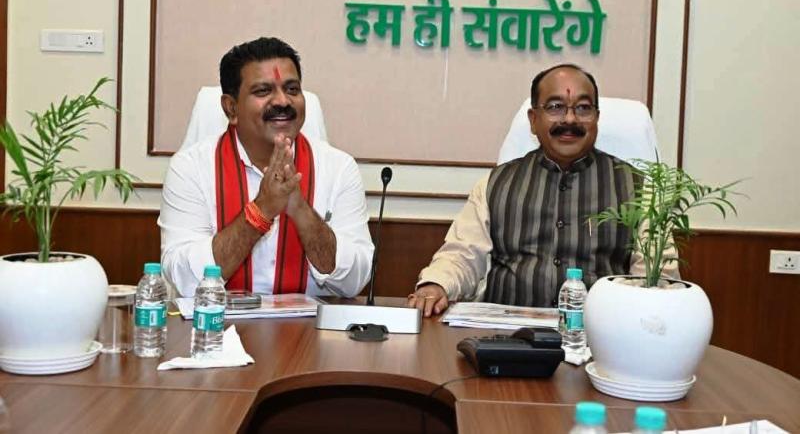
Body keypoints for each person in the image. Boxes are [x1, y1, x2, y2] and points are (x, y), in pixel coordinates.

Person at [407, 64, 678, 316]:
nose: (570, 119)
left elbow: (656, 279)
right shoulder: (495, 184)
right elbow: (462, 255)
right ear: (533, 119)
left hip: (598, 340)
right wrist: (437, 285)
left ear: (597, 118)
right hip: (505, 336)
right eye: (556, 107)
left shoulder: (640, 189)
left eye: (583, 108)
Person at [159, 37, 373, 298]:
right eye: (263, 91)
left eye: (292, 89)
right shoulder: (190, 169)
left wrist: (302, 211)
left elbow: (354, 281)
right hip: (219, 321)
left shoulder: (338, 168)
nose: (282, 101)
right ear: (231, 108)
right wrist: (260, 211)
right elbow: (184, 278)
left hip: (310, 324)